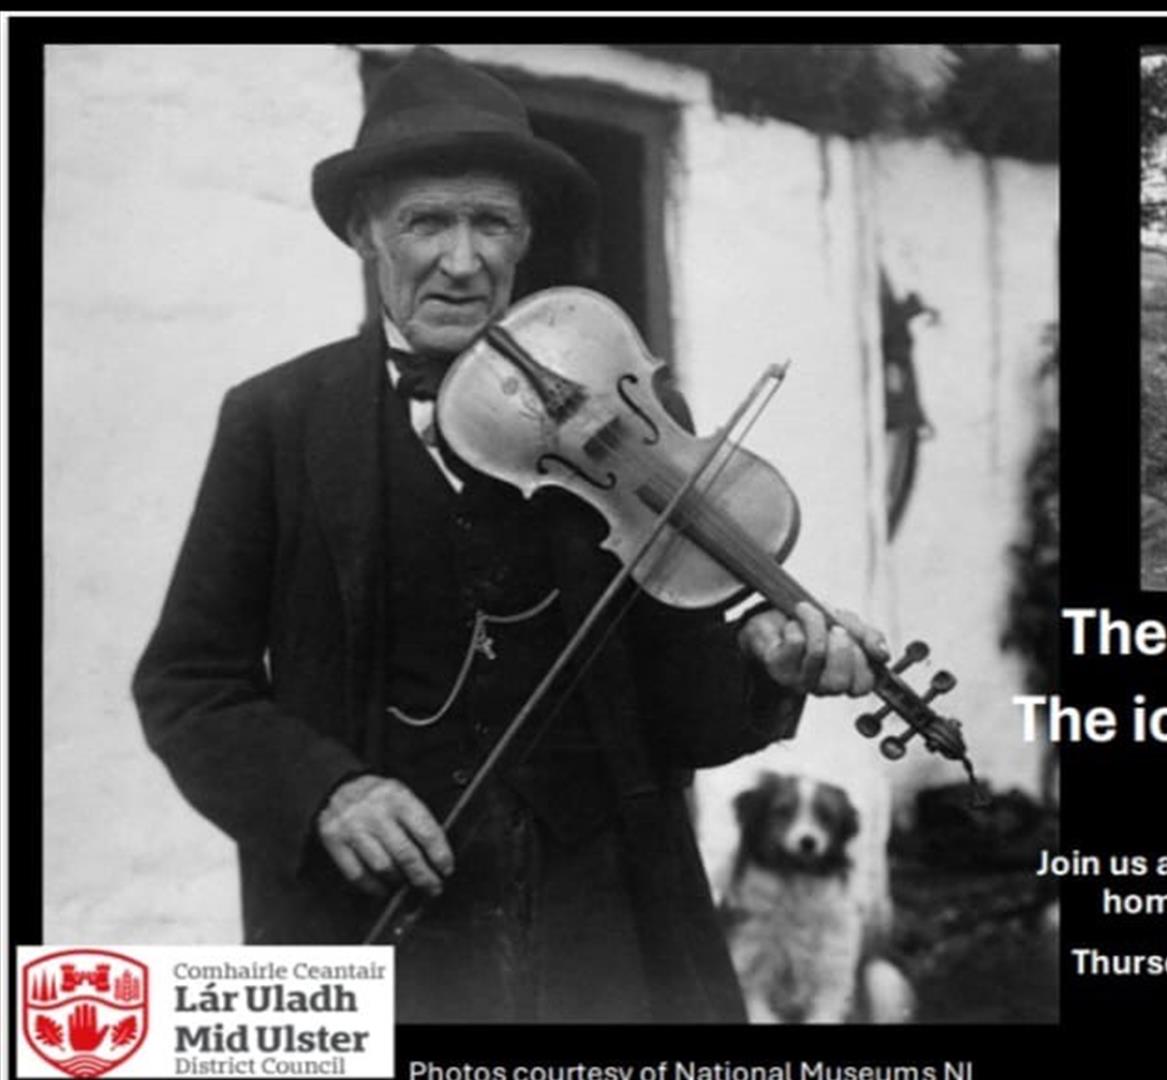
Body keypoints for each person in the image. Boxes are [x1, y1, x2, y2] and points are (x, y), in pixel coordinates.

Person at [133, 45, 885, 1024]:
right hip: (378, 923)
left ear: (526, 235)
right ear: (366, 234)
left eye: (491, 221)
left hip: (603, 916)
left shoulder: (628, 424)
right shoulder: (274, 421)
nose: (462, 257)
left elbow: (677, 709)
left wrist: (760, 662)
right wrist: (325, 794)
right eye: (425, 221)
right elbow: (191, 684)